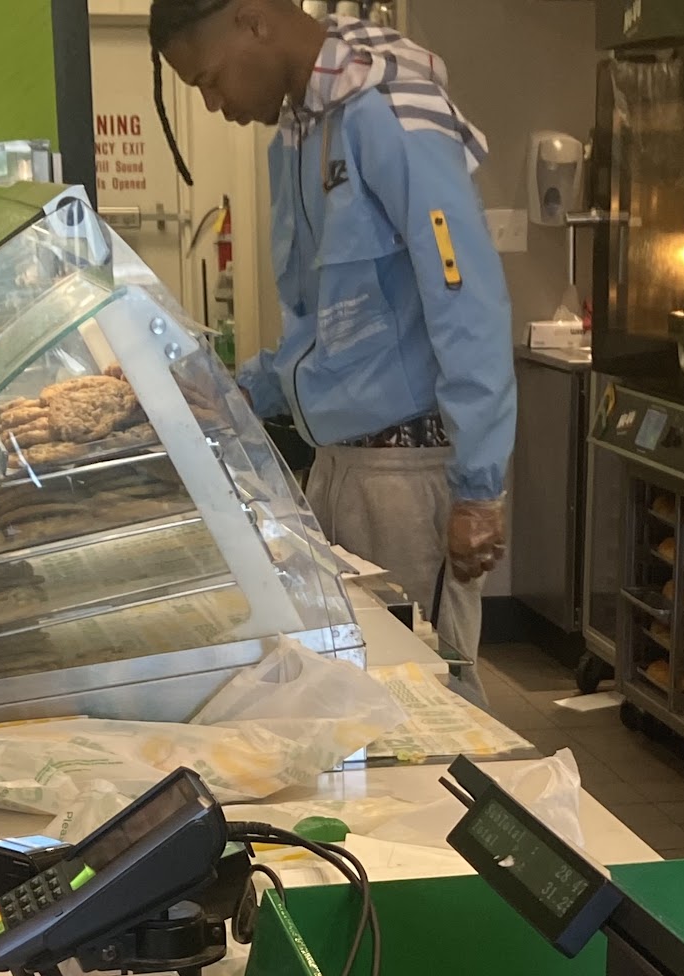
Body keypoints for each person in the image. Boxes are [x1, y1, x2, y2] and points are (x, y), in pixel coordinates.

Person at [150, 0, 516, 705]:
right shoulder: (301, 132)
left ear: (253, 20)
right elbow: (326, 324)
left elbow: (467, 301)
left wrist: (478, 490)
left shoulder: (388, 112)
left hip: (409, 473)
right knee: (351, 690)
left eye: (210, 80)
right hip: (341, 466)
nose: (215, 104)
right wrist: (239, 392)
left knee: (426, 699)